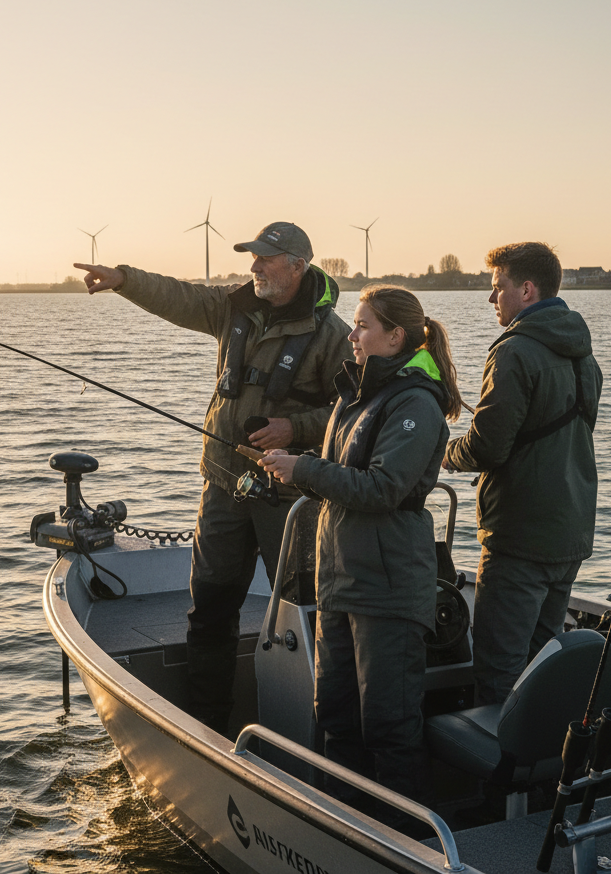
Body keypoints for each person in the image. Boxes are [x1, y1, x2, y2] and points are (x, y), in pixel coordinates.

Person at [74, 222, 353, 734]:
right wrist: (123, 279)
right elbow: (178, 297)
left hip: (289, 501)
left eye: (265, 259)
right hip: (224, 487)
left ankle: (324, 734)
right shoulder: (233, 307)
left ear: (298, 265)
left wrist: (296, 427)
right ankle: (208, 727)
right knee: (209, 609)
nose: (254, 267)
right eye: (253, 257)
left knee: (307, 614)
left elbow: (351, 413)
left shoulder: (333, 336)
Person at [260, 284, 462, 829]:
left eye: (364, 326)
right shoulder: (358, 395)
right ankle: (341, 830)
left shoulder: (415, 401)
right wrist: (296, 463)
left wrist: (302, 469)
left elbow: (383, 487)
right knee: (337, 718)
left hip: (388, 590)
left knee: (389, 728)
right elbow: (342, 475)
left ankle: (408, 845)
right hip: (340, 582)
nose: (352, 336)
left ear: (395, 336)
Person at [443, 242, 602, 706]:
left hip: (519, 537)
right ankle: (538, 772)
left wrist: (447, 454)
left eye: (498, 288)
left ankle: (498, 774)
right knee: (543, 663)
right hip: (570, 532)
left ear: (527, 290)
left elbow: (488, 445)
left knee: (498, 669)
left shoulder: (514, 351)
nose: (492, 299)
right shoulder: (582, 353)